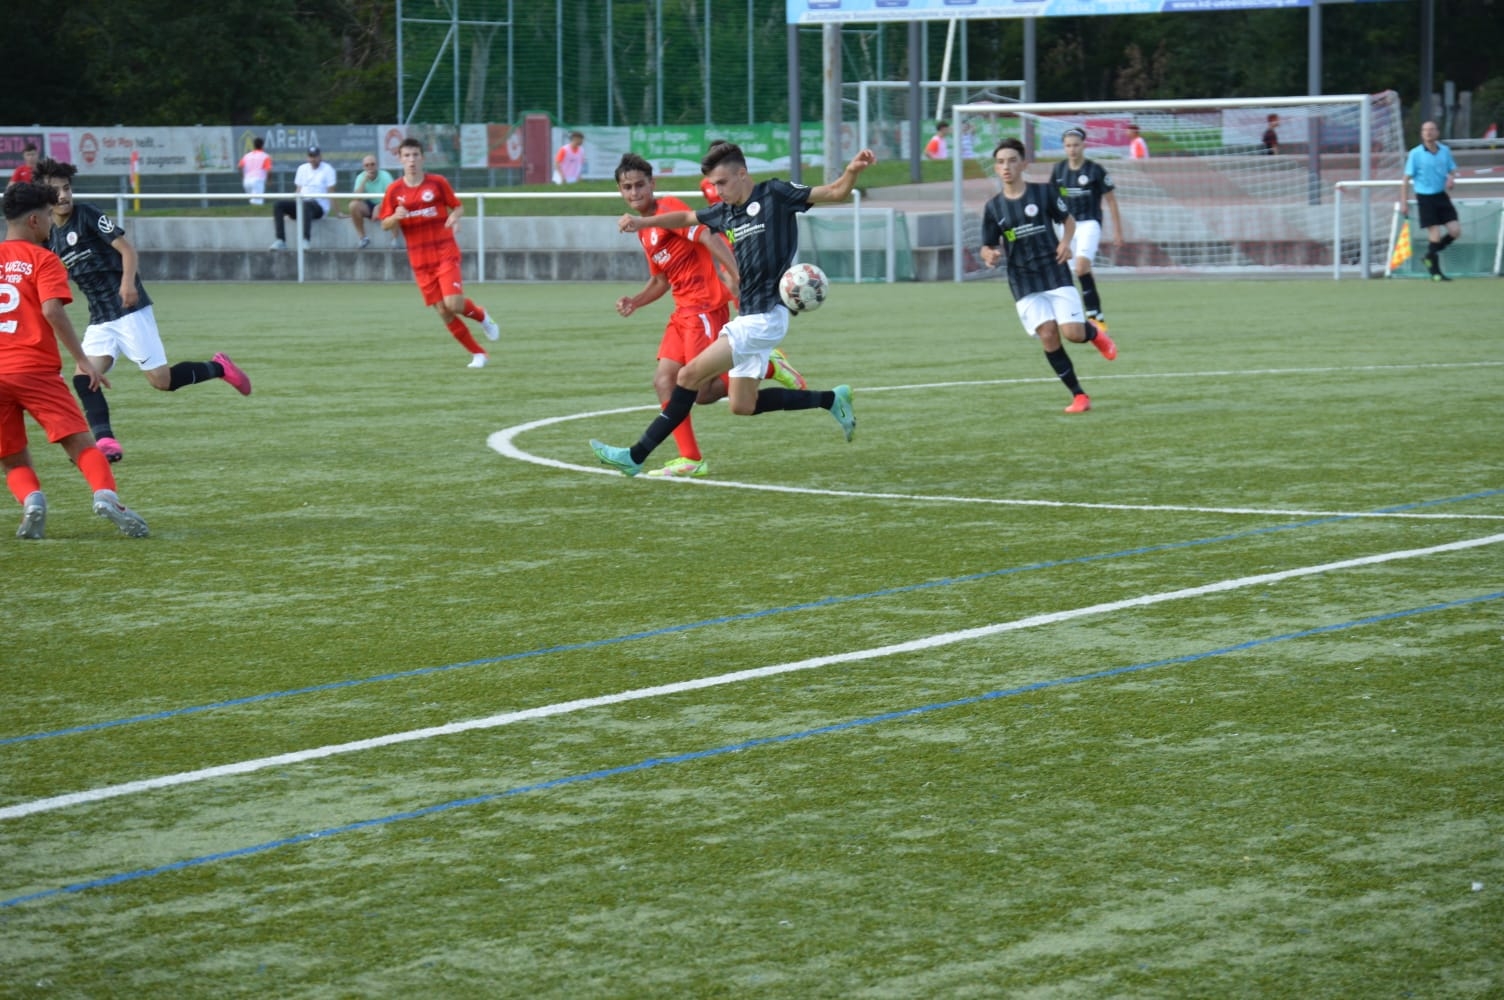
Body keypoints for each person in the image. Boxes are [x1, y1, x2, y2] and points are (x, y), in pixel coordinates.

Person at [591, 141, 873, 477]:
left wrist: (851, 171)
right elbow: (686, 217)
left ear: (742, 174)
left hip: (764, 319)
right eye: (713, 184)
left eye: (722, 182)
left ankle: (635, 456)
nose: (718, 190)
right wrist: (642, 224)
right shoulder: (726, 211)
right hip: (749, 316)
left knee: (687, 377)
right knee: (743, 405)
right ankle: (832, 399)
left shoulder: (775, 194)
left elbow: (836, 193)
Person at [34, 159, 251, 464]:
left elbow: (127, 249)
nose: (63, 195)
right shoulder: (51, 237)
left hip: (129, 310)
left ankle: (218, 367)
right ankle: (105, 441)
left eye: (67, 188)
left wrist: (127, 283)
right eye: (56, 191)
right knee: (85, 376)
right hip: (100, 318)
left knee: (161, 381)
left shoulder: (88, 215)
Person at [613, 152, 807, 479]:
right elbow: (660, 280)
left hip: (704, 306)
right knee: (664, 381)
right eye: (627, 187)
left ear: (652, 184)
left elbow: (706, 234)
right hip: (682, 312)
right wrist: (635, 301)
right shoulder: (645, 230)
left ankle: (768, 365)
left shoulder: (667, 209)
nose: (635, 192)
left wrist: (737, 274)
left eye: (640, 185)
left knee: (701, 391)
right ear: (620, 191)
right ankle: (690, 458)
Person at [0, 181, 148, 539]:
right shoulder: (43, 258)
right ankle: (106, 496)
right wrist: (81, 360)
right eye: (48, 215)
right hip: (34, 369)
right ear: (34, 220)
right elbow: (52, 310)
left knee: (12, 456)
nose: (52, 222)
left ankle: (32, 502)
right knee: (80, 443)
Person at [980, 138, 1117, 415]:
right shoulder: (994, 207)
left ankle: (1094, 333)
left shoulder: (1043, 193)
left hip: (1053, 269)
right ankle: (1079, 395)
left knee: (1073, 333)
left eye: (1012, 161)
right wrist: (989, 255)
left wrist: (1065, 242)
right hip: (1022, 278)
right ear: (996, 168)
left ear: (1023, 164)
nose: (1006, 167)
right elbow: (988, 245)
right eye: (1000, 162)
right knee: (1048, 335)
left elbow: (1068, 220)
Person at [378, 137, 500, 368]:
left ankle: (482, 316)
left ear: (422, 158)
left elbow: (458, 206)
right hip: (420, 261)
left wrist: (454, 216)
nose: (411, 160)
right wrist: (394, 217)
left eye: (415, 155)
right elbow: (384, 224)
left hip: (444, 252)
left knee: (453, 303)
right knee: (443, 311)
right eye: (407, 156)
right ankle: (478, 354)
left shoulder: (437, 183)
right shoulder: (394, 190)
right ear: (400, 159)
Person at [1049, 127, 1125, 328]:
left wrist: (1118, 231)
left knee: (1081, 267)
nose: (1072, 149)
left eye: (1076, 145)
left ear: (1083, 146)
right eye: (1068, 146)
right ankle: (1094, 313)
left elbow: (1111, 200)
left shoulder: (1095, 170)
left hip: (1089, 223)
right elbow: (1051, 200)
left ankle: (1092, 315)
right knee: (1076, 273)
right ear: (1064, 147)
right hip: (1067, 226)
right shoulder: (1058, 170)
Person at [1399, 120, 1461, 282]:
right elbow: (1405, 179)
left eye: (1431, 129)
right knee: (1435, 233)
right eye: (1425, 130)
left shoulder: (1444, 151)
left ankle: (1429, 255)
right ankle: (1436, 273)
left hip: (1441, 196)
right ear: (1422, 133)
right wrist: (1404, 202)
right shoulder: (1415, 153)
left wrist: (1451, 178)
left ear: (1437, 132)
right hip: (1425, 197)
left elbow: (1452, 170)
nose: (1428, 132)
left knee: (1455, 231)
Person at [270, 146, 337, 250]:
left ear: (320, 157)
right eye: (311, 156)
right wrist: (291, 209)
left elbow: (331, 191)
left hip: (318, 207)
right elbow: (298, 190)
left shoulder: (328, 169)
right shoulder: (302, 168)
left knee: (306, 204)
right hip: (302, 204)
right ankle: (280, 240)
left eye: (315, 156)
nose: (313, 159)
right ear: (307, 157)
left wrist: (338, 212)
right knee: (279, 205)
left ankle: (305, 240)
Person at [348, 154, 394, 248]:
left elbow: (392, 197)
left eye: (372, 164)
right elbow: (356, 198)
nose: (370, 167)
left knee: (396, 207)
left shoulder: (385, 176)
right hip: (370, 204)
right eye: (367, 165)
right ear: (363, 167)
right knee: (353, 205)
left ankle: (394, 240)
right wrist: (364, 180)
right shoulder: (361, 177)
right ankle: (363, 238)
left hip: (385, 203)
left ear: (377, 165)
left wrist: (379, 207)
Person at [238, 137, 272, 205]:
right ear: (262, 145)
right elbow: (269, 170)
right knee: (257, 202)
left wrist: (243, 177)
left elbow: (239, 167)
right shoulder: (265, 156)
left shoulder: (247, 156)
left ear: (253, 145)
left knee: (252, 201)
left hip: (246, 181)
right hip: (258, 180)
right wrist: (269, 180)